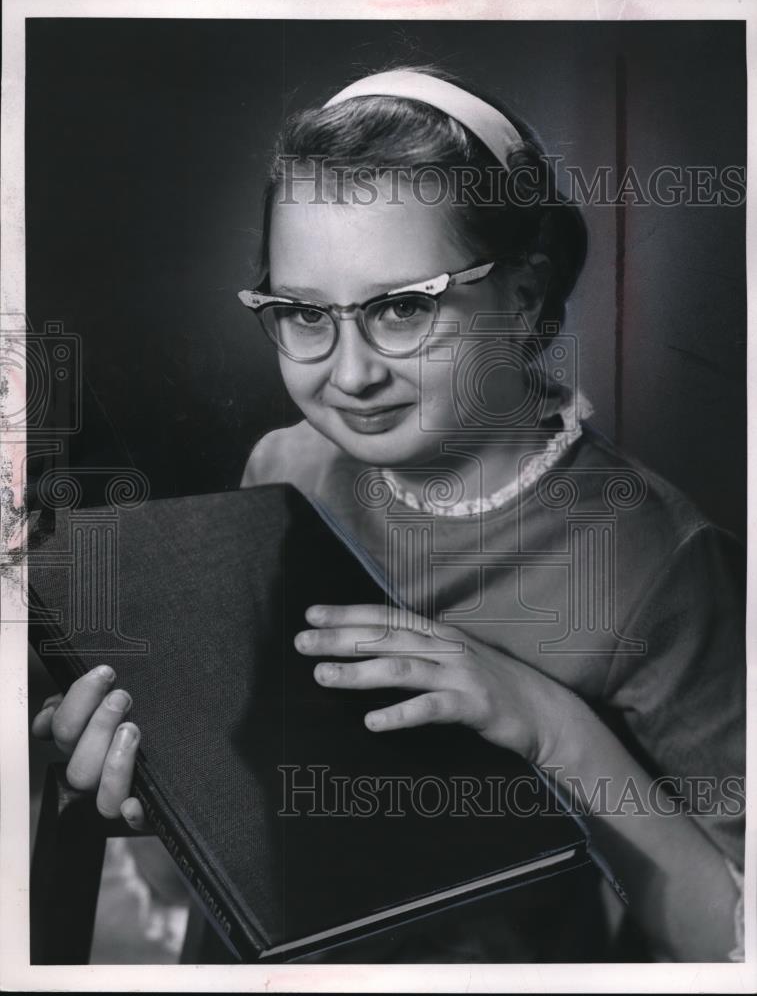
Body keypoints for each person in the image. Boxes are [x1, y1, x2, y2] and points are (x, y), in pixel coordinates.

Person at [31, 66, 745, 962]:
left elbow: (731, 938)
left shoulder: (661, 561)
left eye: (403, 308)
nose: (350, 371)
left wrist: (546, 721)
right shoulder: (284, 467)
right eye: (303, 314)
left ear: (522, 303)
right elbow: (260, 823)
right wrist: (160, 784)